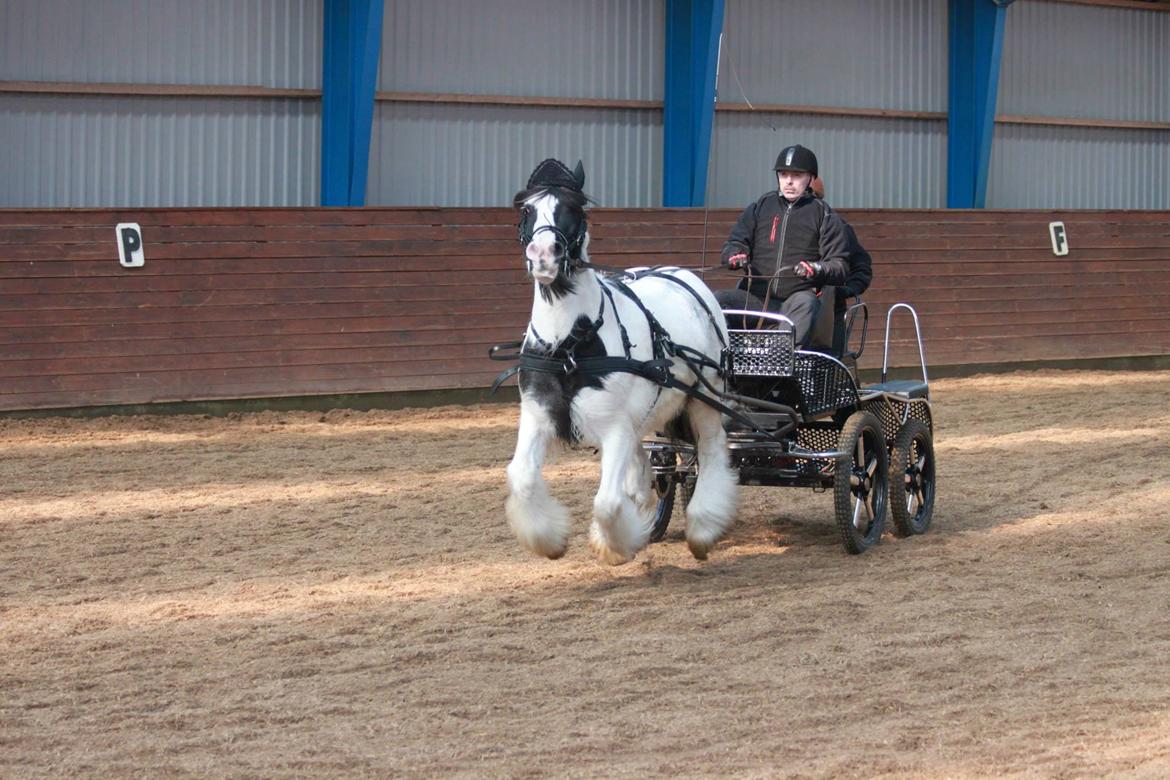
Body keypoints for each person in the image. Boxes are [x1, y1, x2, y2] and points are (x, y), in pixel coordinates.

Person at [715, 144, 850, 348]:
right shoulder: (760, 207)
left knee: (807, 303)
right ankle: (727, 358)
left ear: (811, 178)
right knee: (718, 300)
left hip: (795, 302)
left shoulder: (824, 215)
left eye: (796, 175)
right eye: (783, 174)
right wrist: (734, 255)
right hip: (756, 299)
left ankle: (778, 358)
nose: (788, 181)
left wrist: (815, 269)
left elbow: (839, 265)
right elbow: (735, 242)